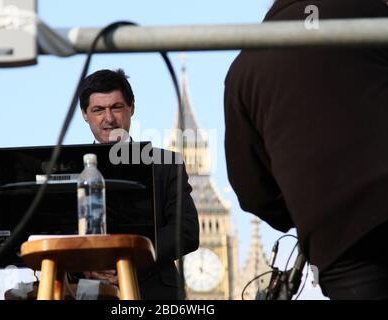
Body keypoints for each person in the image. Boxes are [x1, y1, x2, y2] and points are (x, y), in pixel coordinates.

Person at [224, 0, 388, 299]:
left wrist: (305, 207)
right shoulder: (373, 16)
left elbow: (252, 191)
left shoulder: (243, 70)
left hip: (340, 246)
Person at [78, 69, 199, 299]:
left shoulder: (166, 164)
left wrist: (130, 261)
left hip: (153, 291)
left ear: (131, 108)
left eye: (116, 107)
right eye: (98, 110)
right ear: (85, 114)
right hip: (87, 290)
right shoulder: (68, 169)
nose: (109, 118)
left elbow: (186, 231)